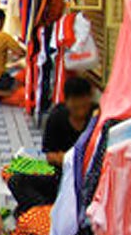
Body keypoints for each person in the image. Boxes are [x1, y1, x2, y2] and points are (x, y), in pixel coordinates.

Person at [8, 74, 97, 211]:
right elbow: (50, 155)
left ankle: (45, 208)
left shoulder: (96, 118)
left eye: (83, 105)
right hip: (60, 176)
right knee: (16, 180)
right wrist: (67, 160)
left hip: (87, 181)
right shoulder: (57, 117)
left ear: (89, 100)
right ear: (67, 102)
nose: (80, 109)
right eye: (75, 105)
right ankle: (46, 210)